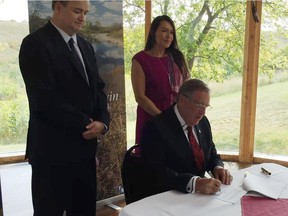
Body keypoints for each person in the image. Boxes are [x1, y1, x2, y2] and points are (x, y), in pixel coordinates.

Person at [19, 1, 110, 215]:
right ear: (58, 7)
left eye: (85, 13)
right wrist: (90, 124)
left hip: (85, 151)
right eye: (77, 11)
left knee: (84, 210)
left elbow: (98, 90)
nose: (82, 18)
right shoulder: (35, 44)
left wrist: (103, 123)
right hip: (52, 152)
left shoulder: (85, 46)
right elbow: (44, 100)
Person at [141, 79, 233, 196]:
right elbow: (156, 172)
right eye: (199, 105)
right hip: (169, 197)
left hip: (199, 196)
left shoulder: (202, 122)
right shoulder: (155, 127)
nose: (203, 112)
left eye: (206, 106)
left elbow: (211, 153)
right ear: (182, 100)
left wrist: (217, 167)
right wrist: (195, 183)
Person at [131, 15, 190, 149]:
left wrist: (180, 118)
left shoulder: (177, 58)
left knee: (176, 161)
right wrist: (164, 119)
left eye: (171, 32)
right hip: (151, 121)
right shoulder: (140, 59)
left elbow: (188, 88)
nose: (169, 35)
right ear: (153, 32)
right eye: (164, 31)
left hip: (177, 120)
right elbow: (140, 97)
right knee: (152, 164)